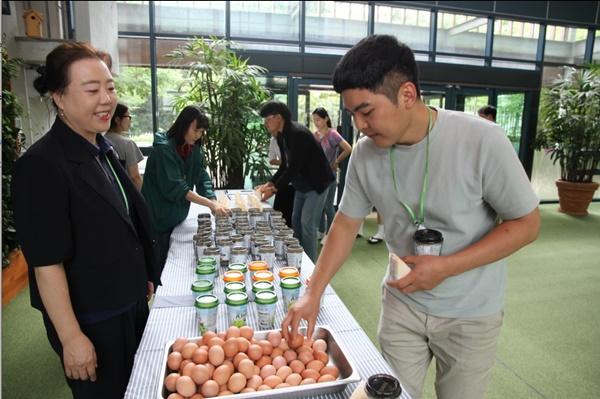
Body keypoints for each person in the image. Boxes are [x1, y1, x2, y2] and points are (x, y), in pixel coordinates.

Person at [282, 35, 541, 399]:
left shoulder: (482, 140)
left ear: (407, 94)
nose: (359, 124)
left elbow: (527, 224)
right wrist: (314, 292)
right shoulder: (365, 155)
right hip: (401, 303)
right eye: (352, 113)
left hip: (471, 312)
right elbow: (344, 224)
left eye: (367, 111)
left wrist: (446, 267)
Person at [11, 42, 160, 399]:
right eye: (92, 90)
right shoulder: (42, 165)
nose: (106, 99)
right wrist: (71, 337)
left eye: (109, 87)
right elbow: (47, 264)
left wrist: (142, 276)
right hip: (94, 321)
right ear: (59, 98)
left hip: (128, 304)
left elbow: (120, 220)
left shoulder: (100, 149)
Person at [141, 105, 229, 271]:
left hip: (176, 217)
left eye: (202, 132)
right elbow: (176, 187)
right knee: (159, 265)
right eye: (196, 130)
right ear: (184, 125)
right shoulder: (164, 150)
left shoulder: (193, 149)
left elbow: (202, 176)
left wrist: (212, 199)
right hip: (158, 218)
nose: (198, 135)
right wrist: (210, 205)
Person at [256, 101, 335, 262]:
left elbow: (294, 168)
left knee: (307, 226)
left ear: (278, 117)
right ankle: (298, 259)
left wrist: (274, 188)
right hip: (301, 186)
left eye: (267, 119)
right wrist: (270, 183)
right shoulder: (281, 136)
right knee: (295, 223)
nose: (265, 124)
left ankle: (311, 267)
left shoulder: (298, 133)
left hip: (316, 185)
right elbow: (285, 165)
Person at [312, 107, 352, 244]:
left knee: (328, 206)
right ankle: (321, 231)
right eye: (314, 120)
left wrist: (336, 161)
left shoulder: (333, 134)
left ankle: (330, 235)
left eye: (318, 119)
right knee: (320, 205)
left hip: (330, 175)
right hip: (317, 176)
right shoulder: (315, 135)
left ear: (326, 119)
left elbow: (348, 148)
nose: (316, 123)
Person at [105, 103, 144, 190]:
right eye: (128, 117)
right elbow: (135, 177)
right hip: (124, 193)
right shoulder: (127, 143)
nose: (130, 120)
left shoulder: (98, 139)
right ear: (117, 120)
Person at [268, 135, 295, 227]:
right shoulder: (273, 140)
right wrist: (285, 162)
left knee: (292, 214)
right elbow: (273, 161)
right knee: (278, 213)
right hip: (283, 178)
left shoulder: (293, 138)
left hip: (296, 182)